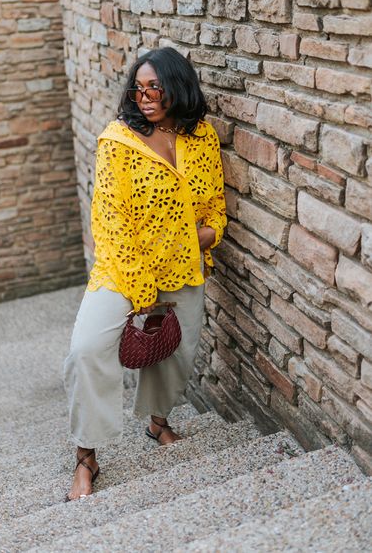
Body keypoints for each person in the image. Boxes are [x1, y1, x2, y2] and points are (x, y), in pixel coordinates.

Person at [63, 46, 227, 500]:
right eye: (139, 87)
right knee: (87, 349)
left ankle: (158, 425)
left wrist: (196, 239)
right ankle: (85, 458)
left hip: (184, 266)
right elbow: (110, 224)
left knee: (176, 351)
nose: (145, 95)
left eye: (155, 86)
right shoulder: (118, 141)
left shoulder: (202, 138)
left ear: (178, 87)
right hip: (123, 269)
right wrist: (142, 289)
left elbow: (214, 212)